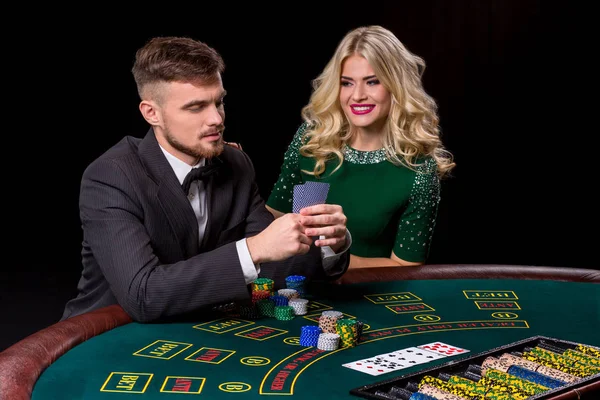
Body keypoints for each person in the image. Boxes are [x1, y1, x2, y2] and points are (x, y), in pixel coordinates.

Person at [61, 36, 351, 323]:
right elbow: (143, 295)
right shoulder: (111, 176)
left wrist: (329, 245)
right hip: (106, 334)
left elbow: (270, 266)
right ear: (152, 113)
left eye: (219, 102)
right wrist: (254, 248)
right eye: (196, 107)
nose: (216, 119)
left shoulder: (236, 163)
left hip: (198, 331)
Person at [266, 25, 455, 269]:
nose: (357, 96)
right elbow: (273, 220)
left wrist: (332, 259)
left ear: (396, 86)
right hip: (298, 291)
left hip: (371, 297)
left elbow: (406, 269)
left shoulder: (419, 170)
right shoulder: (313, 140)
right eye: (347, 83)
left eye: (372, 82)